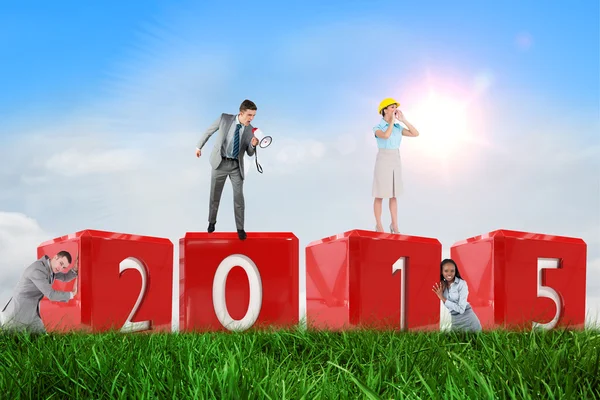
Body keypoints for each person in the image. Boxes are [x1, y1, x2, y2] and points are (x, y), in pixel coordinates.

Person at [195, 99, 260, 240]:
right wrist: (199, 147)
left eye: (254, 115)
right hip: (220, 163)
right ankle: (212, 222)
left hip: (236, 166)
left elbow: (249, 152)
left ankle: (240, 229)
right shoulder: (224, 118)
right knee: (215, 196)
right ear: (241, 113)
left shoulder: (250, 130)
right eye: (249, 115)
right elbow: (209, 131)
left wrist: (253, 145)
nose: (252, 118)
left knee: (239, 198)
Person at [372, 97, 419, 233]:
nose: (395, 109)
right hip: (383, 159)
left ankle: (394, 225)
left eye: (395, 107)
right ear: (385, 110)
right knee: (379, 194)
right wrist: (392, 121)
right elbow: (385, 136)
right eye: (392, 107)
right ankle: (379, 225)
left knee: (394, 194)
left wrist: (403, 120)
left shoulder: (398, 128)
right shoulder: (377, 127)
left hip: (395, 159)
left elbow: (415, 133)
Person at [0, 251, 78, 333]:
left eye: (64, 267)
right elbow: (51, 294)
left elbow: (65, 277)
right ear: (55, 257)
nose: (60, 268)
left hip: (33, 312)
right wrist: (71, 294)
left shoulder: (50, 268)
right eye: (61, 263)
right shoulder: (37, 270)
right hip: (18, 312)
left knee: (43, 339)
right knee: (13, 341)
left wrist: (75, 269)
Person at [432, 258, 482, 332]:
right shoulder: (442, 286)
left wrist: (442, 297)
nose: (449, 274)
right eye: (446, 271)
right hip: (455, 321)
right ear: (442, 272)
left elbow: (461, 309)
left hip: (469, 321)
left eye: (452, 271)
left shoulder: (461, 284)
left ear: (455, 272)